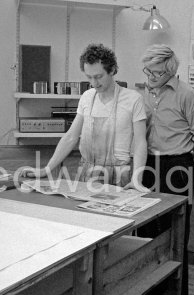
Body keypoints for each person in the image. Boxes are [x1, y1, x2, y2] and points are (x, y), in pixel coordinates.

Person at [21, 44, 149, 192]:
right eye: (89, 77)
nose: (94, 83)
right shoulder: (87, 97)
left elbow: (140, 142)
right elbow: (71, 137)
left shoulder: (133, 99)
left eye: (99, 77)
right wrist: (47, 169)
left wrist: (137, 180)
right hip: (87, 173)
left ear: (112, 70)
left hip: (119, 175)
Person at [139, 44, 194, 295]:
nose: (150, 76)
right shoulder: (143, 93)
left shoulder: (187, 95)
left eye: (155, 72)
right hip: (147, 165)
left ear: (169, 71)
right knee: (146, 233)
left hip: (177, 167)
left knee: (175, 235)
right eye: (147, 70)